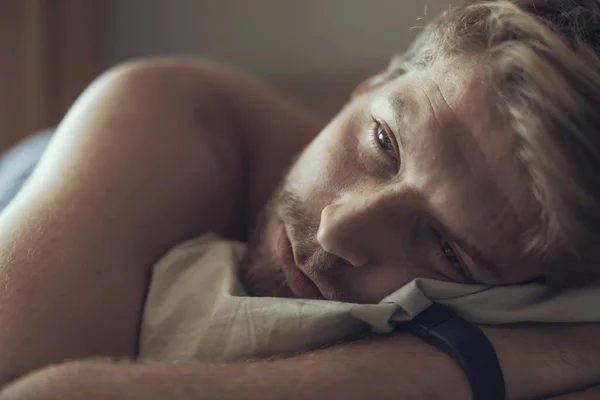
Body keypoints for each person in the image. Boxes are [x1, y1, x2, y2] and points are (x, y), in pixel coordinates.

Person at [1, 0, 600, 398]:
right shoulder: (168, 116)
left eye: (447, 249)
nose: (341, 228)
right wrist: (466, 362)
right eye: (384, 142)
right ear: (372, 84)